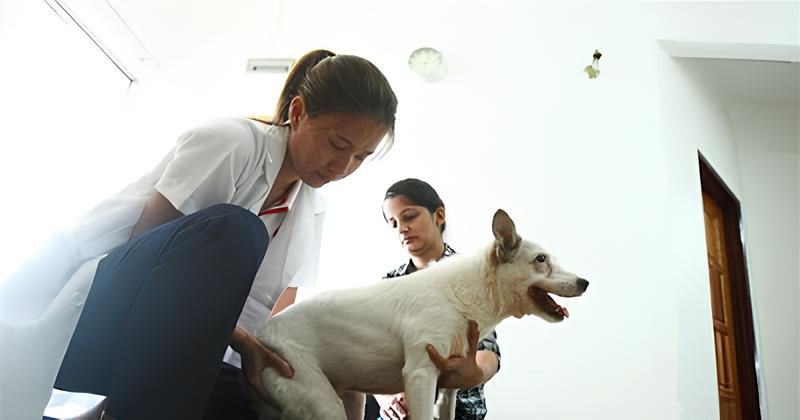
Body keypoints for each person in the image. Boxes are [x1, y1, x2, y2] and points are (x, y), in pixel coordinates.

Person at [0, 49, 397, 420]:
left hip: (162, 343)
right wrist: (241, 342)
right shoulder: (234, 141)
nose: (343, 166)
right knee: (238, 231)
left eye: (361, 156)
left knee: (282, 399)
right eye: (337, 144)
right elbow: (150, 255)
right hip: (91, 313)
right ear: (298, 112)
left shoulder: (311, 206)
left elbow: (275, 313)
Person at [365, 178, 501, 420]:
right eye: (393, 223)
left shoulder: (471, 275)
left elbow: (488, 352)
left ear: (439, 215)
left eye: (409, 217)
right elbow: (371, 356)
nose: (401, 228)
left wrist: (475, 372)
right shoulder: (389, 283)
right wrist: (387, 401)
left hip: (456, 410)